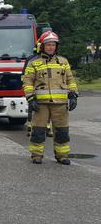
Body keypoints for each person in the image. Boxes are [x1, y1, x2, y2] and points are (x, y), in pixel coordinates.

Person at [22, 31, 78, 165]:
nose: (51, 47)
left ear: (56, 46)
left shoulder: (63, 61)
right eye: (48, 45)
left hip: (60, 103)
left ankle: (62, 155)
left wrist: (73, 94)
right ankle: (36, 155)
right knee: (38, 131)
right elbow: (27, 81)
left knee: (62, 131)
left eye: (53, 45)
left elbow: (70, 79)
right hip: (41, 104)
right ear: (42, 46)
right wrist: (30, 98)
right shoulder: (34, 63)